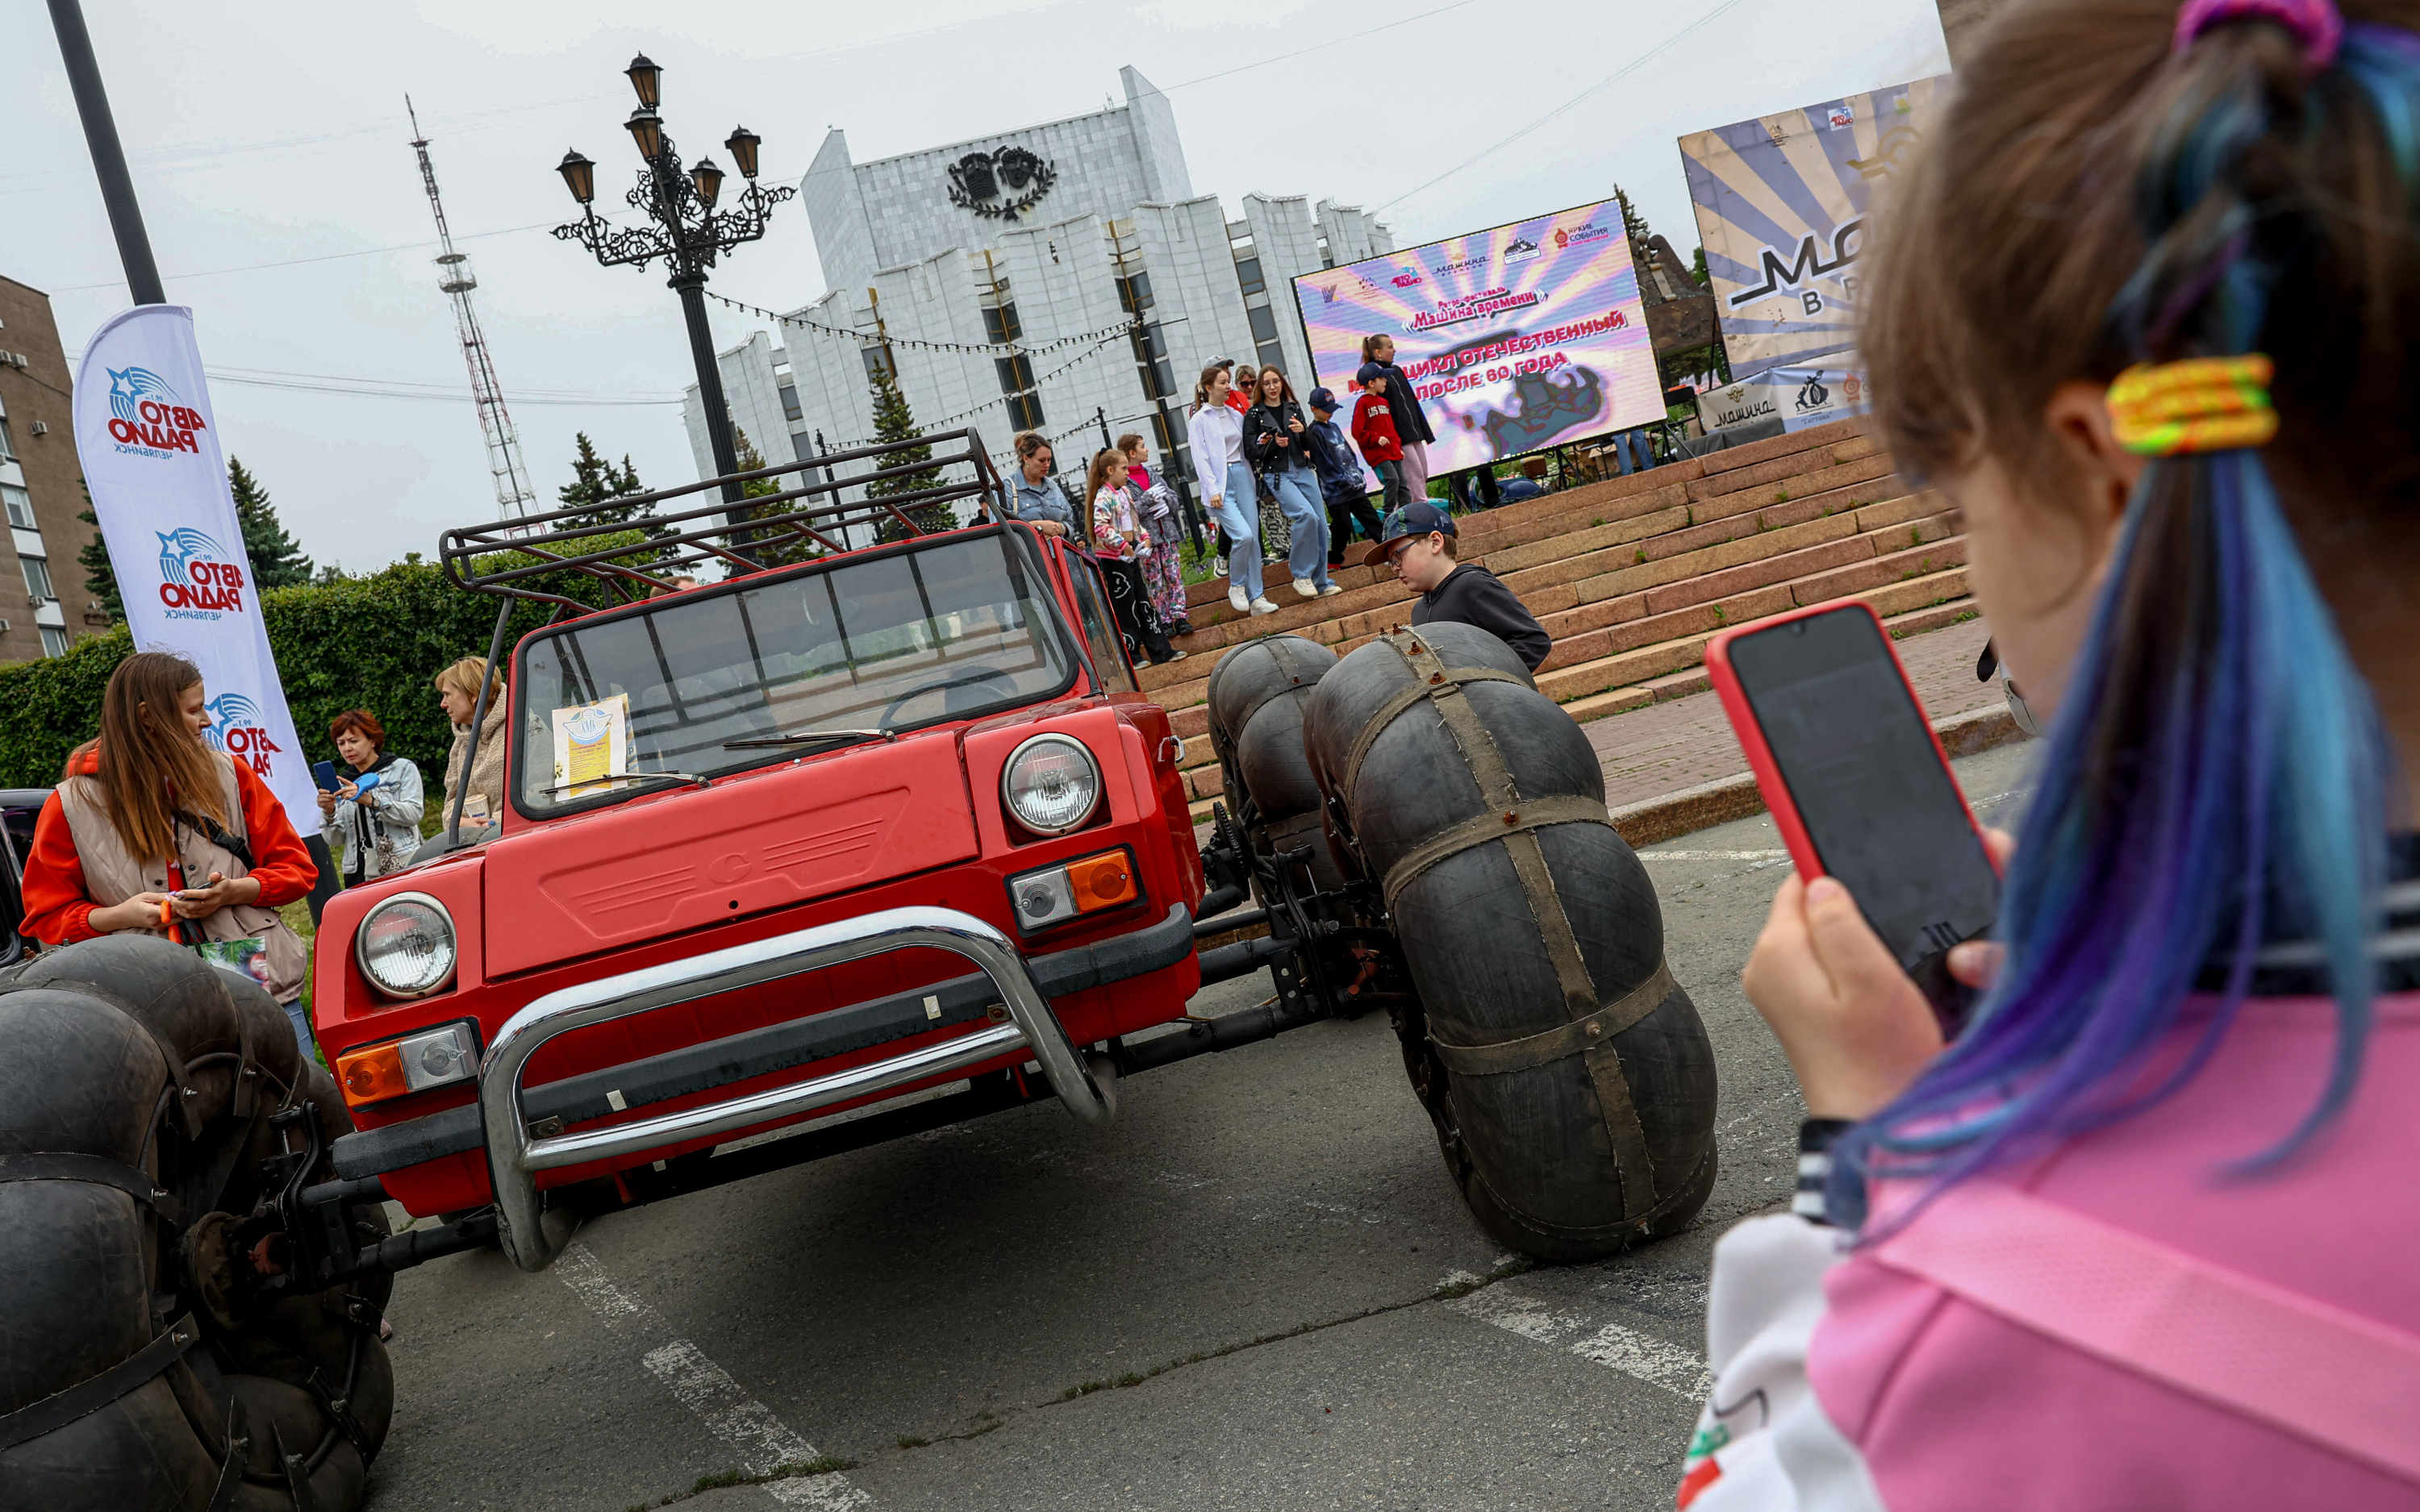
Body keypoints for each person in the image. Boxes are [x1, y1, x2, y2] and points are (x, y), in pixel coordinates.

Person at [1684, 2, 2420, 1506]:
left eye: (1956, 494)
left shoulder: (1989, 1313)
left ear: (2100, 470)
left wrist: (1874, 1159)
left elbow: (1798, 1471)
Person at [19, 652, 315, 1051]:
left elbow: (298, 869)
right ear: (148, 717)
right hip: (148, 997)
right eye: (195, 710)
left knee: (297, 1100)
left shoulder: (230, 773)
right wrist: (118, 916)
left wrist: (235, 891)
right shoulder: (72, 804)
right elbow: (45, 918)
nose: (208, 721)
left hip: (255, 980)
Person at [1364, 501, 1548, 670]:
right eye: (1391, 562)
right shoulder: (1419, 610)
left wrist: (1480, 680)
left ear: (1435, 542)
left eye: (1398, 556)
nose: (1395, 568)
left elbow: (1532, 641)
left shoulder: (1473, 586)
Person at [1187, 364, 1278, 616]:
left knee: (1255, 540)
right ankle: (1237, 585)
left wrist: (1261, 441)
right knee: (1243, 536)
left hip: (1243, 477)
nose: (1229, 387)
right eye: (1223, 382)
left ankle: (1257, 596)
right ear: (1209, 387)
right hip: (1220, 484)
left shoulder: (1236, 415)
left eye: (1228, 382)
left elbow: (1246, 448)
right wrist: (1212, 488)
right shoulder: (1199, 420)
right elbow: (1200, 457)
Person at [1242, 368, 1341, 599]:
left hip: (1302, 469)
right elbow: (1251, 451)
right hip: (1277, 474)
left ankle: (1321, 582)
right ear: (1261, 388)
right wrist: (1274, 444)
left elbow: (1309, 443)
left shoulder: (1293, 408)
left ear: (1282, 383)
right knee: (1306, 515)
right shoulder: (1254, 415)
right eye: (1266, 383)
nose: (1272, 387)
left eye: (1275, 381)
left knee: (1321, 526)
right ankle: (1301, 575)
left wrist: (1303, 431)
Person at [1083, 447, 1183, 665]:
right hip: (1114, 559)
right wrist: (1121, 545)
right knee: (1126, 607)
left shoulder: (1125, 492)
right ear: (1110, 470)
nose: (1128, 473)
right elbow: (1101, 527)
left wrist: (1144, 538)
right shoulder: (1104, 495)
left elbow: (1134, 521)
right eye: (1124, 468)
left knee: (1144, 602)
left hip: (1131, 552)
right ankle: (1132, 656)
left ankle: (1161, 650)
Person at [315, 708, 425, 885]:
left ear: (372, 741)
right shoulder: (343, 783)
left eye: (354, 741)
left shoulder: (401, 769)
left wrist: (372, 801)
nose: (347, 748)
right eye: (341, 743)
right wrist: (329, 812)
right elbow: (334, 840)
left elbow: (413, 814)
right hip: (357, 869)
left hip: (400, 861)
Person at [1305, 387, 1386, 572]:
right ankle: (1334, 556)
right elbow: (1323, 462)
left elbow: (1347, 451)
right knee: (1343, 525)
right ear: (1314, 409)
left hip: (1353, 485)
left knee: (1371, 518)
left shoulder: (1333, 427)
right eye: (1326, 408)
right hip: (1336, 491)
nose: (1330, 412)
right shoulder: (1315, 432)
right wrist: (1339, 480)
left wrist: (1356, 472)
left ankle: (1390, 549)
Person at [1120, 433, 1193, 635]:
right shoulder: (1125, 482)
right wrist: (1146, 500)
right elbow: (1130, 512)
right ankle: (1163, 619)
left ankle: (1180, 617)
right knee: (1155, 581)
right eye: (1143, 446)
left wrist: (1167, 503)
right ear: (1132, 453)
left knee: (1174, 577)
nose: (1147, 450)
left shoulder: (1152, 473)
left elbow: (1172, 496)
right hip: (1147, 541)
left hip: (1167, 535)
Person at [435, 655, 509, 835]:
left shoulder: (521, 727)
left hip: (515, 839)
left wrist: (491, 826)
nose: (442, 704)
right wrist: (459, 823)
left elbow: (537, 794)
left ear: (473, 695)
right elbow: (451, 800)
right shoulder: (461, 742)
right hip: (474, 844)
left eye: (447, 695)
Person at [1360, 334, 1437, 502]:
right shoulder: (1376, 377)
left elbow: (1412, 402)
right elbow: (1382, 413)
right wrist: (1393, 440)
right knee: (1414, 476)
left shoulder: (1397, 371)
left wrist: (1425, 431)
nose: (1394, 350)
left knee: (1422, 473)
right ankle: (1420, 514)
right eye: (1390, 347)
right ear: (1378, 352)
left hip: (1414, 431)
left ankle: (1407, 512)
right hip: (1400, 438)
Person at [1350, 365, 1412, 511]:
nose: (1385, 381)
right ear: (1371, 383)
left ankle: (1408, 514)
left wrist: (1397, 447)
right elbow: (1357, 432)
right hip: (1378, 454)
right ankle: (1388, 515)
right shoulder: (1362, 403)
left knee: (1402, 483)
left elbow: (1390, 428)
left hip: (1392, 451)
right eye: (1382, 378)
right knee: (1392, 479)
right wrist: (1375, 438)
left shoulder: (1383, 402)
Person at [1006, 431, 1079, 541]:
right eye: (1041, 460)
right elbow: (1001, 530)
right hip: (1032, 556)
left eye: (1049, 459)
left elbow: (1070, 522)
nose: (1047, 465)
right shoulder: (1007, 487)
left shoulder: (1052, 485)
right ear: (1026, 459)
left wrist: (1061, 528)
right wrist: (1038, 526)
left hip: (1063, 555)